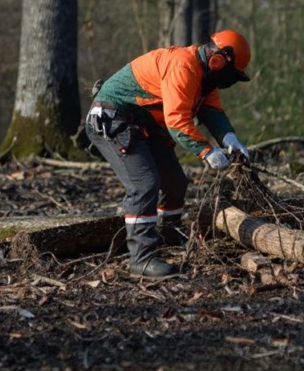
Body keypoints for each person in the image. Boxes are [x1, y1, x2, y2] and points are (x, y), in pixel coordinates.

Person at [85, 29, 253, 278]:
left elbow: (212, 112)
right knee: (145, 184)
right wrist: (206, 150)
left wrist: (229, 138)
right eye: (230, 75)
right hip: (113, 118)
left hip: (144, 125)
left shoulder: (205, 79)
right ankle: (141, 258)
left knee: (175, 182)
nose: (228, 82)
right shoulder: (183, 66)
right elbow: (176, 121)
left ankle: (169, 236)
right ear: (219, 60)